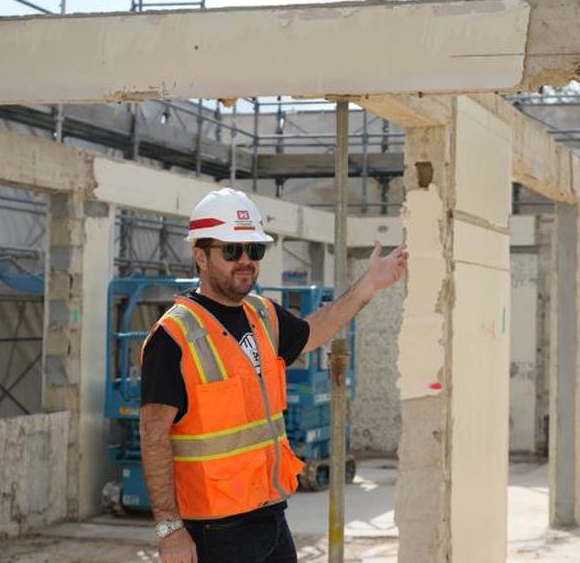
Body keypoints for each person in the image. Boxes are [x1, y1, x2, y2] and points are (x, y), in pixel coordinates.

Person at [139, 188, 408, 563]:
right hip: (213, 530)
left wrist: (368, 286)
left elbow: (316, 330)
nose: (246, 260)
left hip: (271, 518)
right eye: (232, 250)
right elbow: (153, 436)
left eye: (255, 249)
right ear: (200, 256)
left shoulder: (262, 314)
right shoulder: (174, 337)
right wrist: (170, 530)